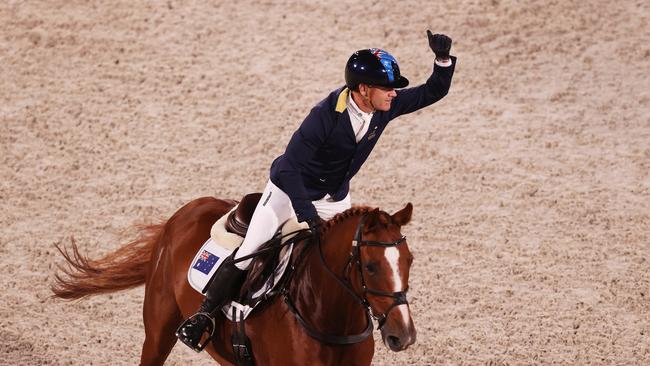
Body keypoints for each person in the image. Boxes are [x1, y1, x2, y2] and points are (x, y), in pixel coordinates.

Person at [176, 30, 457, 351]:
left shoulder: (383, 107)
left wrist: (442, 60)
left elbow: (432, 92)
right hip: (286, 193)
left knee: (350, 259)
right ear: (364, 89)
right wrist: (308, 216)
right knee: (249, 252)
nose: (394, 94)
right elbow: (290, 169)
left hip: (335, 198)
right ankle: (204, 316)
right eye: (388, 88)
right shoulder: (324, 117)